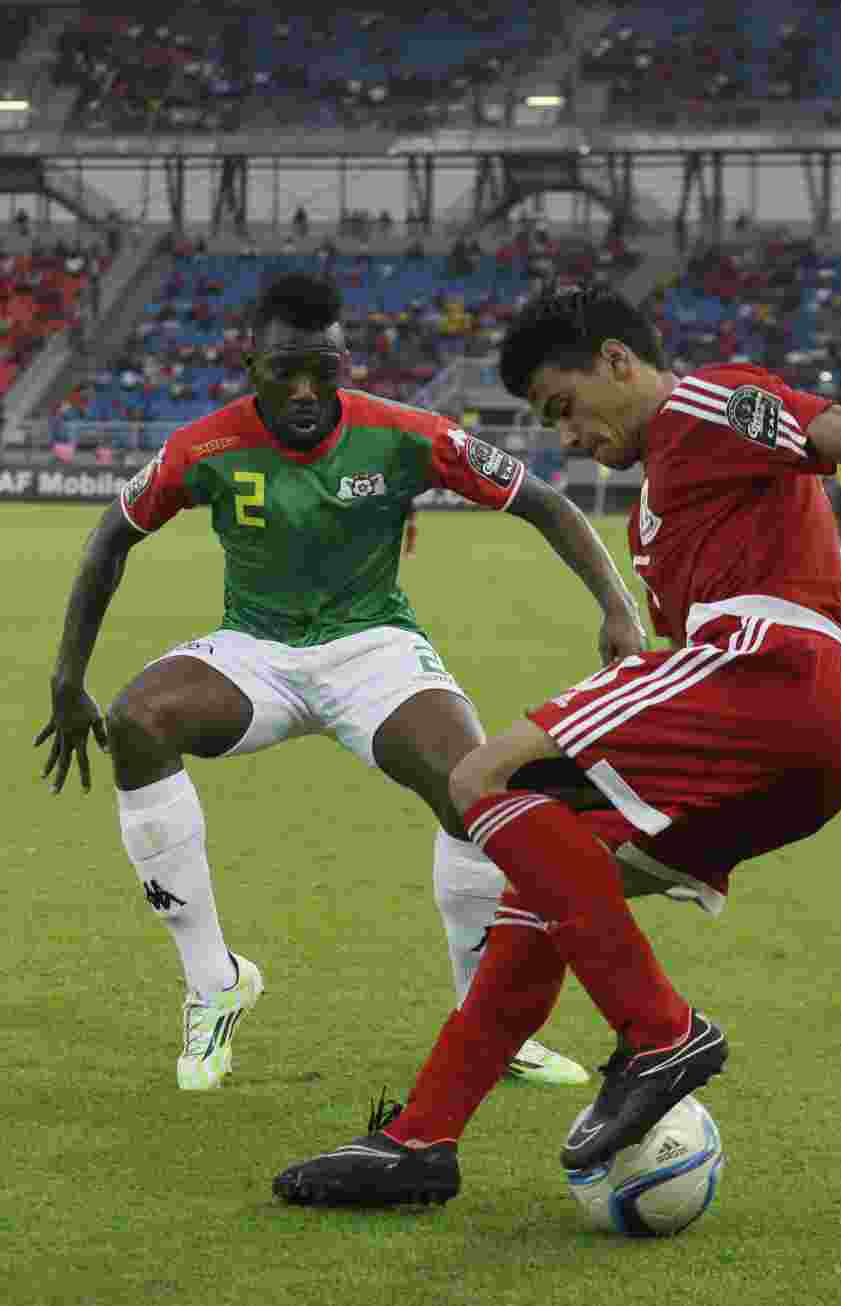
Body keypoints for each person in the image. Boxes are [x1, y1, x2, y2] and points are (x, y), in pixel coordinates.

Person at [272, 284, 841, 1207]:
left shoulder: (701, 403)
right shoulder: (651, 511)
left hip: (779, 670)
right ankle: (422, 1139)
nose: (568, 439)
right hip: (789, 741)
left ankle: (662, 1031)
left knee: (481, 776)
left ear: (618, 362)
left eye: (563, 409)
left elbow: (836, 425)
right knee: (543, 887)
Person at [36, 275, 648, 1094]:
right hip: (255, 650)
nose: (302, 390)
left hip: (375, 649)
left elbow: (543, 503)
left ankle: (488, 1023)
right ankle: (215, 981)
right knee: (140, 720)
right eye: (284, 369)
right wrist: (67, 678)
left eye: (322, 369)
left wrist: (617, 607)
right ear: (250, 364)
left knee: (471, 782)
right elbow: (110, 541)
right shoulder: (203, 447)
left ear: (345, 364)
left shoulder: (403, 434)